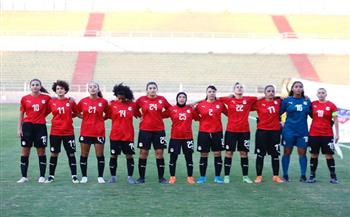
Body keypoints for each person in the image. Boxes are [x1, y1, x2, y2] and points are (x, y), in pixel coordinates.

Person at [220, 82, 257, 184]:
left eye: (241, 87)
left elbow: (263, 97)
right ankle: (226, 176)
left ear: (243, 90)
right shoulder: (229, 100)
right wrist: (229, 96)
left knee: (244, 153)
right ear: (234, 90)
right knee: (228, 153)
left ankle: (245, 176)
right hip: (231, 131)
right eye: (237, 87)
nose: (239, 88)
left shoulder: (248, 99)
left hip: (244, 131)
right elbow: (216, 99)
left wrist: (277, 97)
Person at [135, 82, 171, 184]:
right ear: (147, 90)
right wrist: (139, 116)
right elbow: (134, 108)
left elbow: (170, 109)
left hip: (159, 131)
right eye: (150, 88)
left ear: (156, 89)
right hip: (145, 130)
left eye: (154, 88)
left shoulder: (162, 99)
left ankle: (161, 178)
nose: (152, 90)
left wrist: (161, 116)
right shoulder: (142, 99)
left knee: (159, 154)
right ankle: (141, 178)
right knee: (143, 153)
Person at [17, 78, 51, 183]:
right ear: (30, 86)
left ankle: (41, 176)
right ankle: (24, 176)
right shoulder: (25, 98)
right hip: (27, 127)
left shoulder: (46, 98)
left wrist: (70, 98)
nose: (35, 86)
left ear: (40, 86)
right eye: (33, 85)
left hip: (40, 127)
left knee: (41, 151)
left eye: (37, 85)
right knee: (25, 151)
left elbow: (53, 107)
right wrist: (19, 128)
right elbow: (21, 114)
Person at [46, 80, 79, 183]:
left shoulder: (71, 101)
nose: (60, 90)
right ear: (55, 91)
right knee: (54, 154)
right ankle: (51, 176)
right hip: (55, 132)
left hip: (68, 132)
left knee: (71, 154)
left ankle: (74, 176)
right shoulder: (51, 101)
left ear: (65, 90)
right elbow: (45, 112)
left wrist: (69, 116)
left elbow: (76, 113)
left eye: (62, 88)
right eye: (58, 89)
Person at [163, 92, 199, 184]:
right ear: (177, 98)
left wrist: (196, 107)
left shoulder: (190, 109)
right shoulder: (171, 109)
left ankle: (190, 177)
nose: (182, 99)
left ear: (186, 99)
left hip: (188, 138)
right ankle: (172, 177)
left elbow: (198, 118)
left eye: (184, 97)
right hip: (175, 137)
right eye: (180, 97)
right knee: (173, 158)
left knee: (189, 158)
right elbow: (159, 115)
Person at [77, 81, 108, 184]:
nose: (93, 88)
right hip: (85, 132)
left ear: (98, 89)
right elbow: (76, 112)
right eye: (90, 87)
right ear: (88, 89)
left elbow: (108, 113)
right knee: (84, 155)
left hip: (99, 132)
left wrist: (100, 120)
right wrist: (84, 117)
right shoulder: (83, 101)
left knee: (100, 155)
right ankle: (84, 177)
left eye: (95, 87)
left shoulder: (103, 102)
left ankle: (100, 177)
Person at [107, 83, 139, 184]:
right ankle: (113, 176)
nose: (120, 98)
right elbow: (106, 115)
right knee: (113, 156)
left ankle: (130, 177)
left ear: (126, 95)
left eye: (122, 95)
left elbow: (140, 116)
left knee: (129, 156)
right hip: (115, 135)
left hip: (128, 136)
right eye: (118, 96)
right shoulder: (112, 104)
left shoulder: (132, 105)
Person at [195, 85, 227, 184]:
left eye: (213, 91)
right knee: (204, 154)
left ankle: (217, 177)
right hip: (204, 132)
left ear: (215, 93)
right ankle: (202, 177)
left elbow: (229, 113)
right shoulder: (200, 105)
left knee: (217, 153)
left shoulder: (220, 104)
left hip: (217, 132)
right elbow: (195, 116)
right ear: (206, 93)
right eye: (210, 91)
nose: (212, 93)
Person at [280, 81, 311, 182]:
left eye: (300, 87)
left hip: (302, 132)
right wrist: (281, 122)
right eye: (296, 87)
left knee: (302, 153)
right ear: (292, 89)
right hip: (289, 131)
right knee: (287, 152)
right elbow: (278, 113)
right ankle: (285, 175)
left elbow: (313, 115)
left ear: (302, 89)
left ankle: (303, 175)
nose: (298, 88)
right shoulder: (287, 101)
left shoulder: (307, 101)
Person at [253, 85, 284, 183]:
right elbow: (246, 106)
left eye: (272, 91)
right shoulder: (259, 103)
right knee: (260, 154)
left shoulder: (279, 101)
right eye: (269, 91)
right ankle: (259, 176)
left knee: (275, 154)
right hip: (262, 131)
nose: (271, 93)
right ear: (265, 93)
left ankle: (276, 176)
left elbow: (290, 101)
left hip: (275, 131)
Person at [308, 88, 339, 184]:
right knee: (314, 154)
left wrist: (337, 133)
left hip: (327, 134)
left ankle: (333, 176)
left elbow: (336, 119)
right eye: (319, 93)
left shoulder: (332, 106)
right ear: (316, 94)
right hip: (314, 133)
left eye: (323, 93)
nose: (321, 94)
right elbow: (308, 114)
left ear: (326, 94)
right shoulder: (312, 105)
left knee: (328, 155)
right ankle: (312, 176)